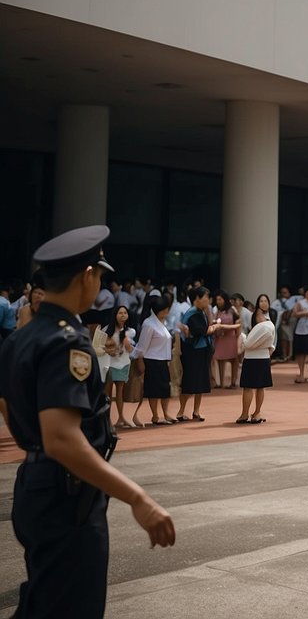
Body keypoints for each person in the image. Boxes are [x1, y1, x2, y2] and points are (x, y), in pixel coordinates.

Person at [0, 226, 175, 618]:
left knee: (45, 598)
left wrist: (37, 452)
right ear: (86, 277)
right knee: (72, 604)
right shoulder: (67, 341)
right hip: (67, 495)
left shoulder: (20, 339)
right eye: (98, 275)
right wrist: (138, 497)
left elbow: (9, 409)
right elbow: (62, 438)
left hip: (35, 484)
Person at [132, 294, 175, 425]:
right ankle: (155, 415)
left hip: (163, 360)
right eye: (165, 310)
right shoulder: (149, 324)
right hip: (151, 359)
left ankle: (166, 413)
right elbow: (143, 344)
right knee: (154, 389)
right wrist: (140, 359)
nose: (167, 312)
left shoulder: (163, 323)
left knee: (165, 389)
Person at [177, 286, 215, 422]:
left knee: (201, 382)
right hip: (192, 352)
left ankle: (196, 411)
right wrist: (212, 328)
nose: (208, 300)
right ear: (197, 299)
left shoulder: (201, 312)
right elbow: (200, 331)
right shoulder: (192, 313)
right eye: (205, 297)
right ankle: (180, 412)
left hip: (201, 350)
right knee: (190, 382)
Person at [236, 294, 276, 424]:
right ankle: (248, 413)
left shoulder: (266, 325)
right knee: (255, 387)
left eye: (265, 301)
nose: (263, 303)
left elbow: (248, 344)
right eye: (261, 301)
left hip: (257, 357)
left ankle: (254, 413)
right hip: (257, 357)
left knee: (256, 387)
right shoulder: (266, 325)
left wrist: (243, 339)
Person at [99, 304, 136, 429]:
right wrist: (109, 350)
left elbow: (131, 350)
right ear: (115, 315)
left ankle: (121, 417)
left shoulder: (130, 331)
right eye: (120, 313)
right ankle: (106, 419)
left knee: (119, 393)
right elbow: (99, 347)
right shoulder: (105, 330)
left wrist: (127, 343)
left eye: (125, 313)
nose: (123, 315)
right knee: (107, 394)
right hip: (109, 365)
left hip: (123, 364)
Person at [211, 290, 242, 389]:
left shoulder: (232, 310)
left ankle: (233, 381)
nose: (218, 302)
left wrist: (238, 334)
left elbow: (238, 322)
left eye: (220, 299)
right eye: (217, 300)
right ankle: (220, 382)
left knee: (233, 359)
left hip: (231, 337)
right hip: (221, 338)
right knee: (219, 359)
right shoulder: (217, 311)